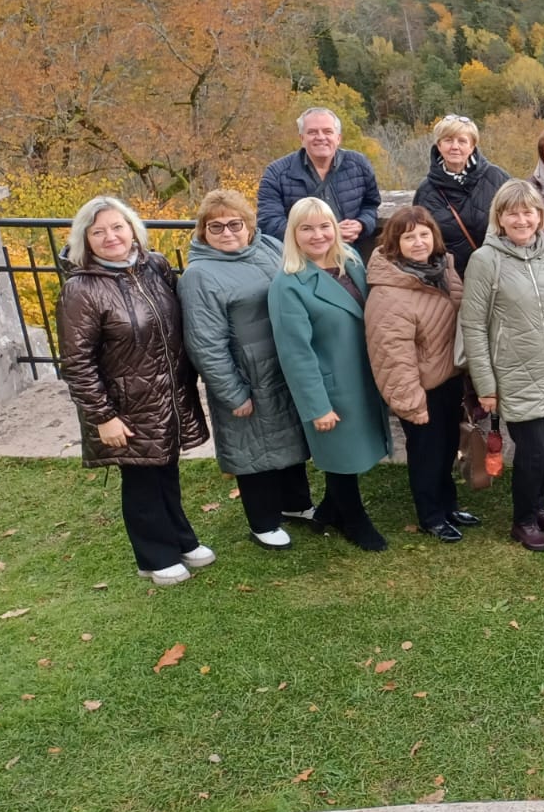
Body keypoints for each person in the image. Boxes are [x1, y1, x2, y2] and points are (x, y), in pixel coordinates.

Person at [58, 197, 212, 586]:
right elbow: (77, 363)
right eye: (99, 231)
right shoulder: (82, 290)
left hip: (167, 396)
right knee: (141, 480)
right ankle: (154, 556)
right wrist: (103, 417)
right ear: (85, 240)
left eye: (117, 227)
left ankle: (180, 538)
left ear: (133, 230)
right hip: (124, 405)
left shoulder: (154, 266)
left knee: (165, 470)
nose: (111, 237)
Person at [179, 190, 315, 551]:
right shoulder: (199, 275)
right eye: (216, 226)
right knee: (253, 450)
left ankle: (297, 503)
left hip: (281, 366)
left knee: (289, 439)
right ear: (203, 231)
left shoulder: (268, 247)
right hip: (246, 375)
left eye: (235, 224)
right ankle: (263, 521)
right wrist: (232, 392)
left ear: (249, 225)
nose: (227, 233)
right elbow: (204, 342)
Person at [459, 181, 544, 553]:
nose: (521, 219)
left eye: (529, 211)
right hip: (511, 372)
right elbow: (473, 326)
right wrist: (486, 385)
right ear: (500, 217)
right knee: (532, 451)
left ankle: (538, 506)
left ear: (540, 216)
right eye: (512, 212)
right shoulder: (486, 260)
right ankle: (524, 521)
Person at [269, 197, 393, 551]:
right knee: (341, 454)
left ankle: (329, 509)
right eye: (306, 228)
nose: (318, 234)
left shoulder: (351, 262)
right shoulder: (289, 284)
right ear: (293, 234)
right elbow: (296, 354)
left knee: (350, 451)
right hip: (331, 386)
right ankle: (353, 518)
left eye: (324, 225)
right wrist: (316, 406)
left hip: (362, 377)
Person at [364, 205, 476, 543]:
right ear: (395, 243)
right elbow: (392, 356)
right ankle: (431, 516)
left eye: (424, 234)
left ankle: (449, 505)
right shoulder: (389, 291)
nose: (418, 242)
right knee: (427, 454)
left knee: (446, 449)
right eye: (408, 236)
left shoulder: (443, 270)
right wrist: (411, 403)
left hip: (448, 380)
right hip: (420, 389)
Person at [257, 106, 383, 259]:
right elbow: (270, 222)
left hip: (349, 257)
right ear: (302, 138)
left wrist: (362, 224)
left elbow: (371, 205)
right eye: (312, 132)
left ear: (338, 138)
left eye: (327, 131)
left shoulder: (358, 164)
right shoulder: (276, 173)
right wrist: (328, 235)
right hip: (300, 260)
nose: (321, 137)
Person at [412, 114, 510, 276]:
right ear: (439, 145)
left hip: (497, 274)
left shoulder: (496, 178)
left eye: (462, 141)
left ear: (472, 146)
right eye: (448, 140)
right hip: (451, 278)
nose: (455, 147)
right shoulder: (426, 190)